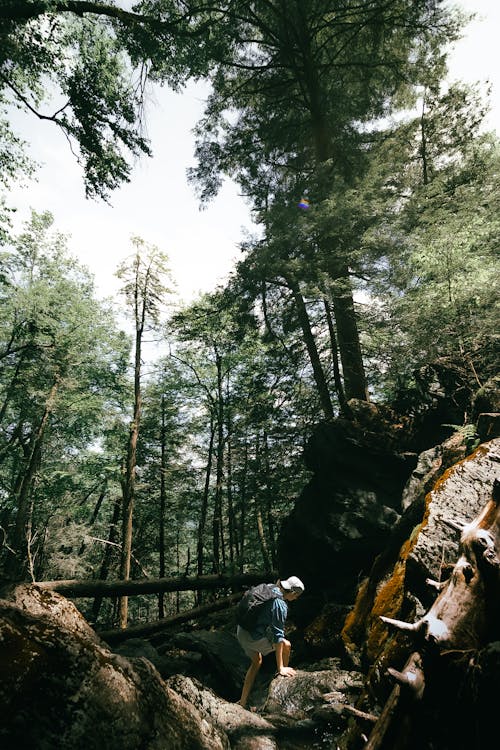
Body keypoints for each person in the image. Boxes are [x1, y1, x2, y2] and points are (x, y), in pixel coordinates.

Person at [236, 575, 305, 708]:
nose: (296, 598)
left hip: (241, 630)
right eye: (297, 596)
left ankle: (243, 701)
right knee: (287, 645)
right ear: (293, 593)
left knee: (257, 661)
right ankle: (281, 685)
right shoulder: (280, 605)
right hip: (252, 637)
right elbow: (278, 637)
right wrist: (280, 667)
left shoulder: (269, 587)